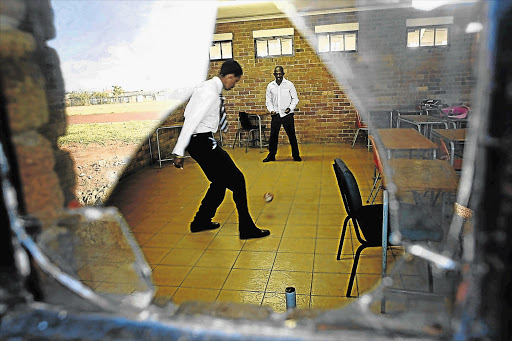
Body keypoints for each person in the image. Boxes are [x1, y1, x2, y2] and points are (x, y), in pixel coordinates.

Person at [171, 59, 270, 240]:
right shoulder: (209, 93)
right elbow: (190, 120)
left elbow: (189, 115)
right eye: (236, 81)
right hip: (201, 142)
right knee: (238, 180)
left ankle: (200, 221)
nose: (235, 84)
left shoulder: (208, 88)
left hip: (201, 141)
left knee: (219, 183)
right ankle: (246, 229)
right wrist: (178, 151)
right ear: (229, 76)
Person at [262, 66, 301, 162]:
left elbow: (295, 99)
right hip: (276, 115)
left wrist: (290, 108)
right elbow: (268, 101)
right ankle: (271, 155)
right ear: (274, 74)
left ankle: (296, 155)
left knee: (292, 135)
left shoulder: (289, 85)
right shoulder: (270, 86)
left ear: (283, 74)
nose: (278, 75)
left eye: (280, 73)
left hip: (287, 114)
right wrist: (271, 109)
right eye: (277, 74)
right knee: (273, 136)